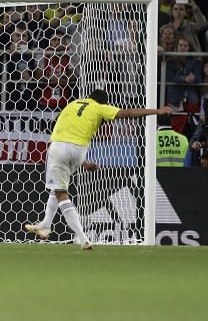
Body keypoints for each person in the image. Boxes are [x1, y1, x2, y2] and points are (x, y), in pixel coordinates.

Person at [24, 89, 172, 249]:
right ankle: (46, 225)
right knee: (58, 188)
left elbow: (66, 131)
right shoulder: (99, 108)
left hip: (59, 147)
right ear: (103, 102)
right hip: (80, 150)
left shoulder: (72, 105)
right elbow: (127, 113)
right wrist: (157, 111)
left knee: (61, 193)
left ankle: (83, 238)